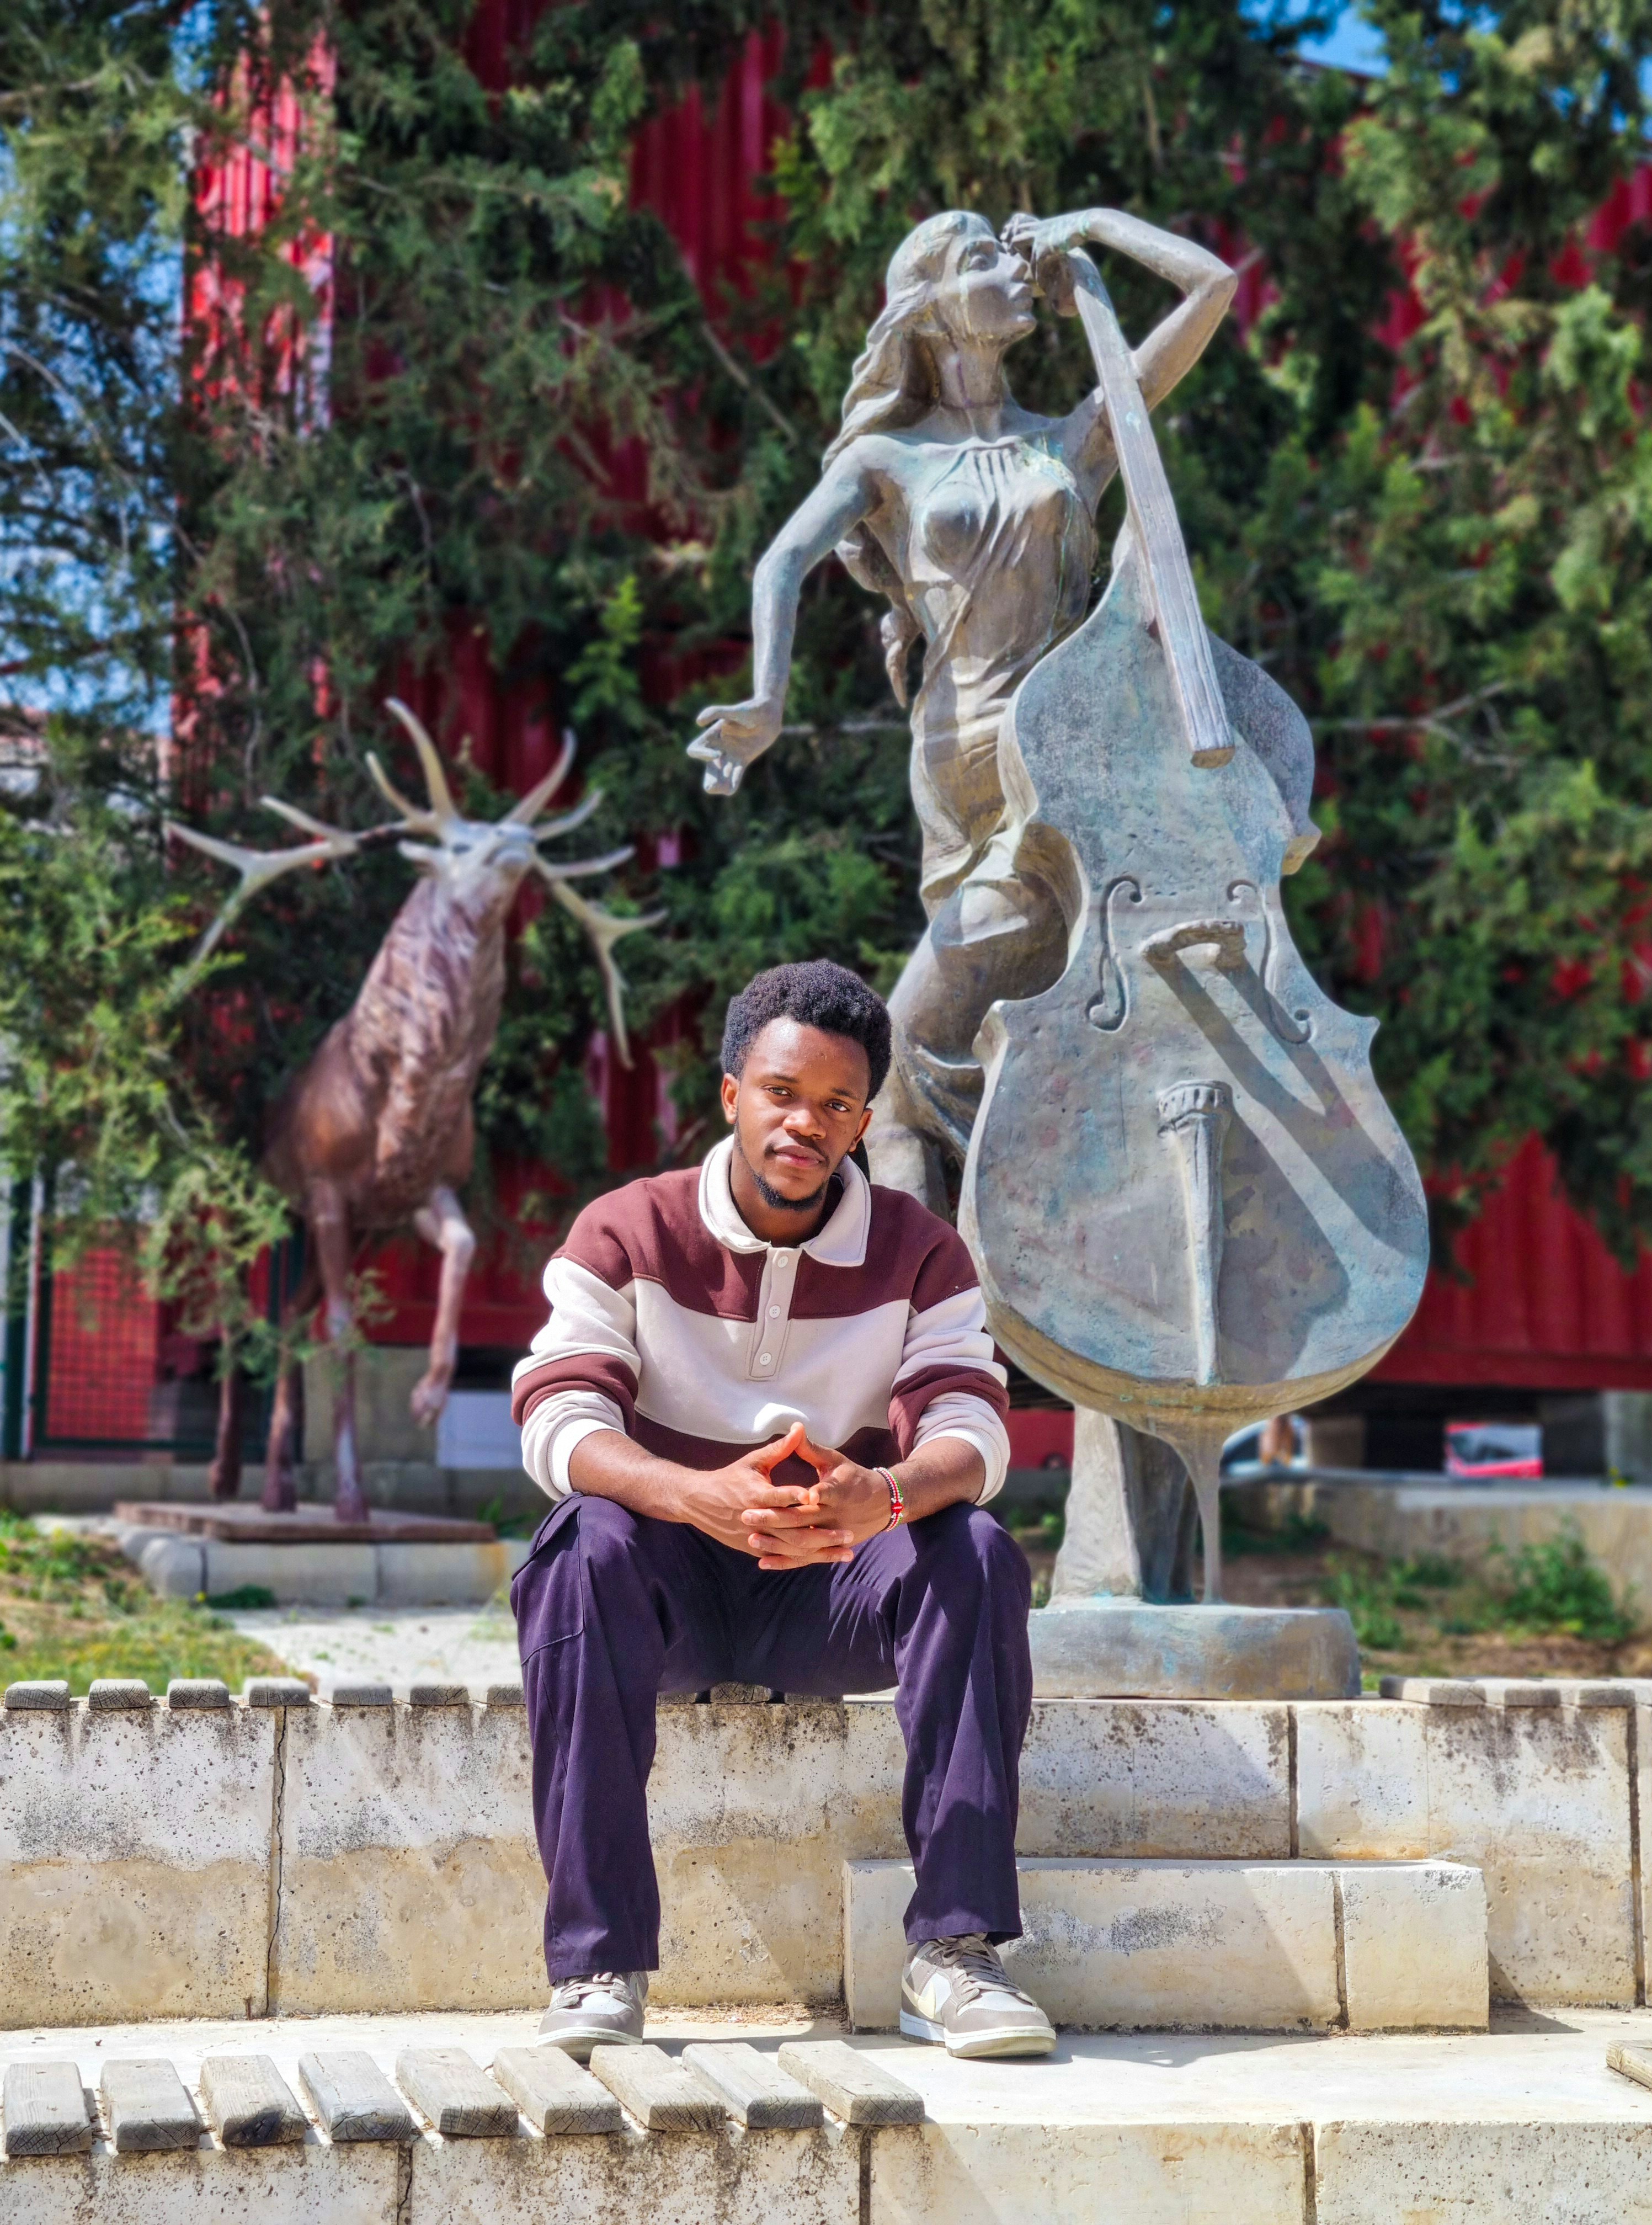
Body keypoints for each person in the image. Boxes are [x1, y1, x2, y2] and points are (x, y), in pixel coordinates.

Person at [685, 207, 1288, 1217]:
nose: (1014, 271)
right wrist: (768, 697)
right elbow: (782, 561)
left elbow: (1214, 286)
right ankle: (959, 1296)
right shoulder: (886, 458)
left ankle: (937, 1294)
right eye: (984, 261)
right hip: (955, 773)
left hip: (1060, 768)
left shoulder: (1073, 439)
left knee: (914, 1074)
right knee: (974, 1053)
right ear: (929, 309)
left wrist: (1095, 227)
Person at [510, 958, 1053, 2062]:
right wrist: (691, 1494)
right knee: (581, 1544)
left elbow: (974, 1428)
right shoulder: (625, 1229)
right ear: (732, 1093)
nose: (806, 1123)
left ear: (862, 1122)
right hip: (665, 1588)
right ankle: (597, 1962)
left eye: (837, 1104)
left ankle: (956, 1954)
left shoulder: (921, 1251)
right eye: (782, 1093)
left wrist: (884, 1497)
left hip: (831, 1591)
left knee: (976, 1551)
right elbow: (556, 1416)